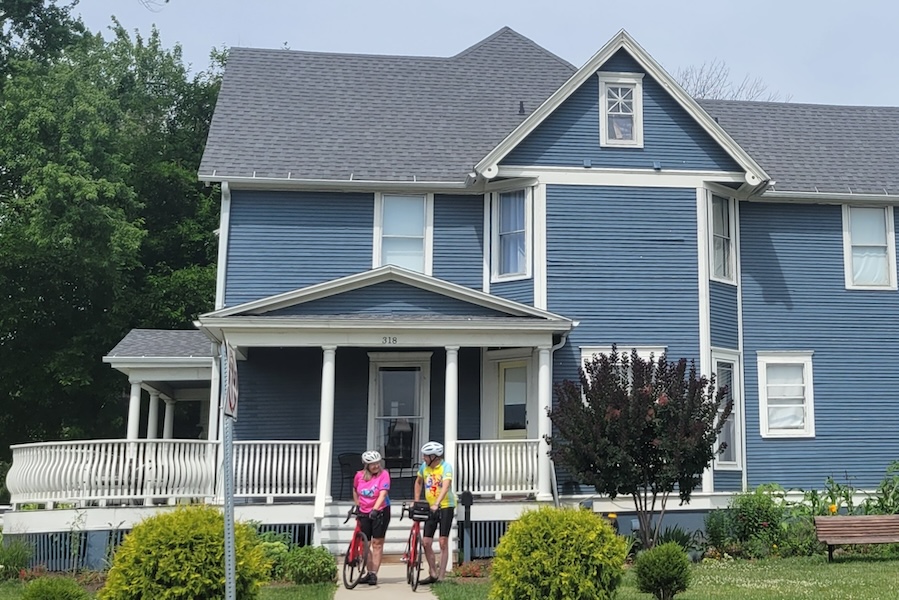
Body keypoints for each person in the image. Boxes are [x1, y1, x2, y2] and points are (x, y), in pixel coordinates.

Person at [414, 441, 455, 584]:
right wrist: (417, 501)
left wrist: (437, 503)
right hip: (430, 507)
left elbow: (445, 486)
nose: (424, 458)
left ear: (434, 456)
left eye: (426, 456)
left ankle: (442, 576)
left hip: (445, 506)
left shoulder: (445, 467)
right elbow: (418, 482)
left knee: (443, 542)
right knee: (426, 542)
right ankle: (433, 572)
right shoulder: (424, 467)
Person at [353, 450, 391, 586]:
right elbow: (355, 490)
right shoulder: (359, 476)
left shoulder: (384, 474)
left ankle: (374, 573)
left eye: (377, 463)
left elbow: (382, 494)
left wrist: (375, 509)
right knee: (365, 543)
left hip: (380, 510)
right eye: (372, 464)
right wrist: (357, 505)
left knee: (377, 543)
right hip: (364, 511)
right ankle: (368, 572)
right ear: (366, 465)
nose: (376, 466)